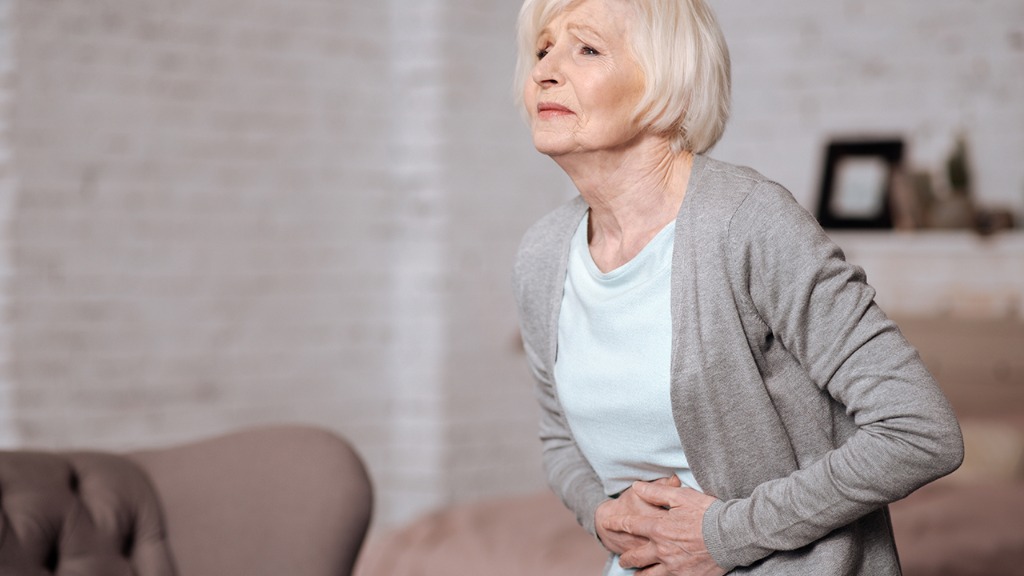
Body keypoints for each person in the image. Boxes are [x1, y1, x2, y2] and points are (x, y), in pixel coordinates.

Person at [510, 0, 964, 574]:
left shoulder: (748, 222)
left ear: (667, 82)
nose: (544, 69)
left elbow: (921, 431)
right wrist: (602, 514)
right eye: (543, 48)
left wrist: (723, 535)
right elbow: (559, 440)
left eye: (587, 48)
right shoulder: (543, 255)